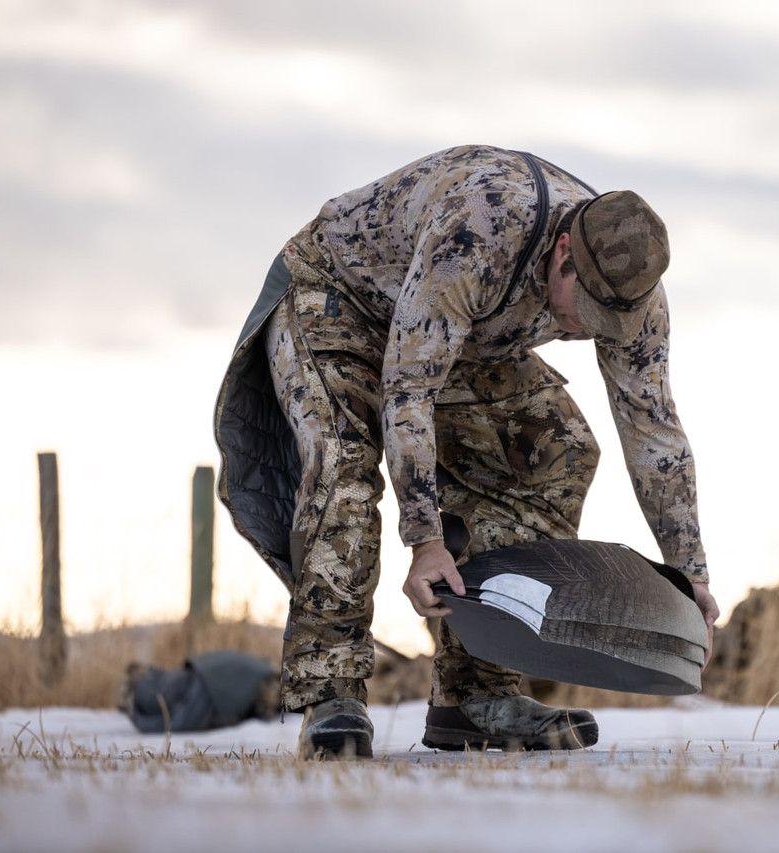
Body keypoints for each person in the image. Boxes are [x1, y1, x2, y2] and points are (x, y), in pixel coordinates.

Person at [214, 144, 719, 759]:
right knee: (344, 467)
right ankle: (332, 696)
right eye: (584, 309)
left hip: (458, 337)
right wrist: (426, 541)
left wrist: (689, 571)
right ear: (564, 253)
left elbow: (654, 429)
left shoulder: (631, 297)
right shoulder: (479, 232)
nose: (590, 328)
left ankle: (475, 695)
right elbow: (407, 391)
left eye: (608, 320)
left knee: (553, 452)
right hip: (340, 299)